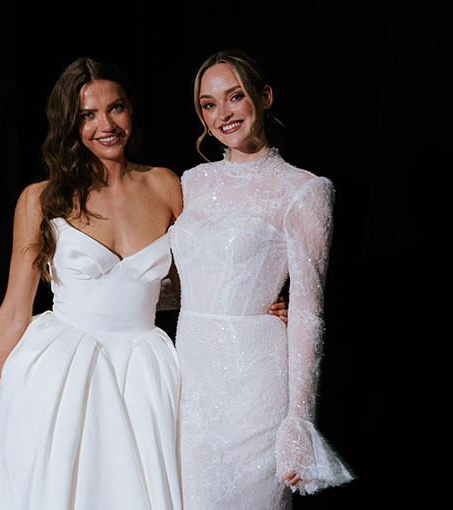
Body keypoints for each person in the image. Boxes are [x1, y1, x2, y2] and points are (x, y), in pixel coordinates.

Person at [0, 57, 185, 510]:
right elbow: (16, 310)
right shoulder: (40, 199)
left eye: (115, 108)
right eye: (87, 115)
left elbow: (195, 286)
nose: (106, 124)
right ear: (68, 123)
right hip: (61, 374)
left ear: (130, 110)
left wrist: (262, 304)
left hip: (146, 372)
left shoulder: (165, 186)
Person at [170, 49, 353, 509]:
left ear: (264, 97)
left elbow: (309, 312)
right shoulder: (191, 182)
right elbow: (177, 283)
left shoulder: (305, 189)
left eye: (235, 97)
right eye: (209, 104)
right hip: (187, 384)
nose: (223, 113)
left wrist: (299, 423)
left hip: (255, 386)